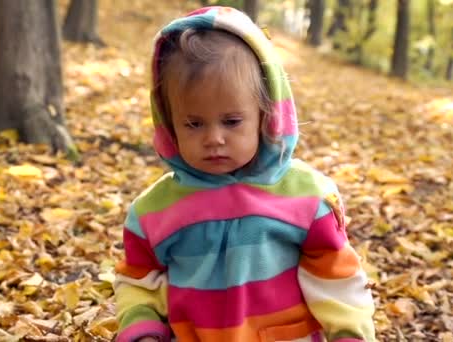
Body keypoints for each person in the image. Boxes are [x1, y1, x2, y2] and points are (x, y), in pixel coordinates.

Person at [113, 6, 375, 342]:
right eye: (194, 123)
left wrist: (350, 333)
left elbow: (336, 276)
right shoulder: (153, 213)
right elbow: (138, 281)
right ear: (169, 122)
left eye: (231, 121)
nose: (214, 139)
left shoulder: (306, 199)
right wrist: (142, 328)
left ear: (265, 115)